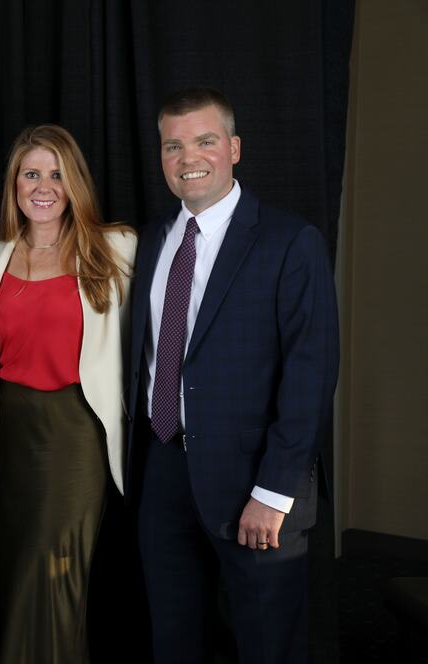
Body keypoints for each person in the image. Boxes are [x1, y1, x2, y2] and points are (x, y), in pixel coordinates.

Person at [126, 87, 339, 664]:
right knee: (174, 641)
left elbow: (311, 372)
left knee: (268, 645)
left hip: (256, 482)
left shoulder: (289, 241)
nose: (187, 156)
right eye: (173, 145)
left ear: (235, 148)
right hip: (165, 470)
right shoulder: (152, 241)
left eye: (204, 140)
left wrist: (275, 493)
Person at [0, 124, 136, 663]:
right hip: (10, 439)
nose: (43, 186)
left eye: (57, 174)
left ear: (75, 184)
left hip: (74, 438)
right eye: (31, 174)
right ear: (14, 184)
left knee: (53, 581)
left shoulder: (115, 249)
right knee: (18, 577)